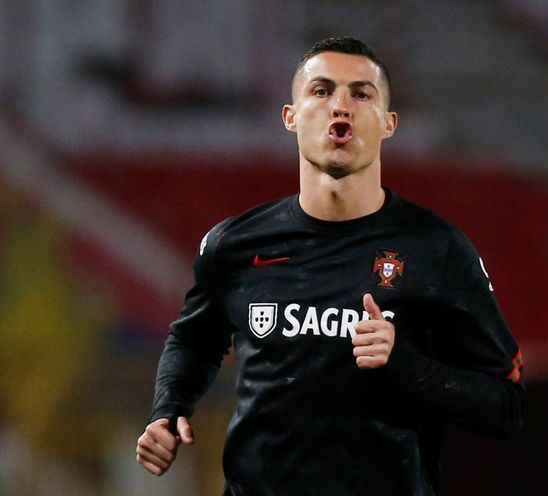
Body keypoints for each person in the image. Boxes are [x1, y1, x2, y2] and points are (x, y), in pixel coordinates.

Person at [136, 37, 525, 496]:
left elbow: (505, 407)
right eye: (321, 91)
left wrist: (406, 363)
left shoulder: (435, 249)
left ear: (388, 124)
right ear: (291, 116)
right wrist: (168, 409)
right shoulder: (235, 245)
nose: (341, 106)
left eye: (362, 94)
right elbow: (194, 338)